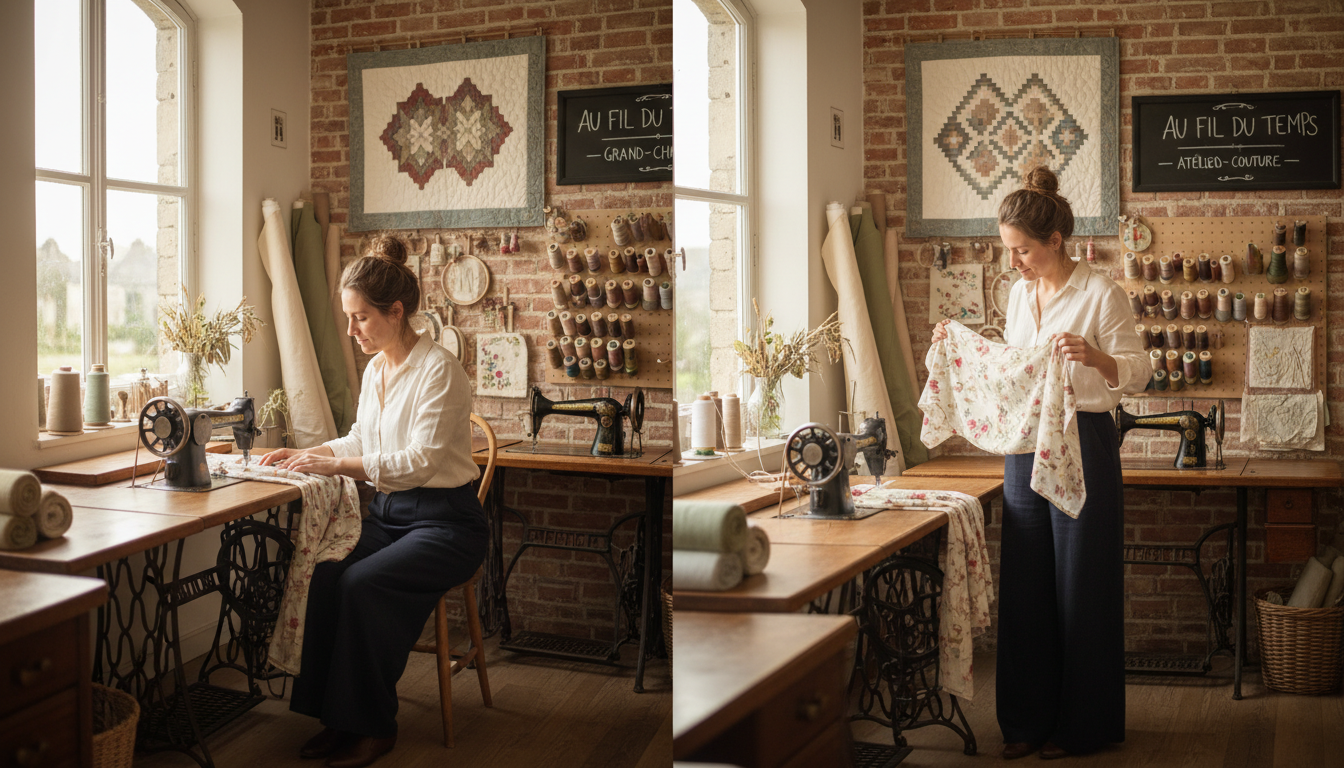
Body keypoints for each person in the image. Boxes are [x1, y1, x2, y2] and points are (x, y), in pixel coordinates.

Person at [931, 167, 1148, 760]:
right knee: (1025, 587)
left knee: (1082, 587)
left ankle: (1081, 727)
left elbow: (1140, 372)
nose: (1015, 262)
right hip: (1026, 447)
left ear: (1055, 241)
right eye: (1009, 251)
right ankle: (1025, 723)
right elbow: (1015, 368)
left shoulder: (1102, 294)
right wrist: (966, 347)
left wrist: (1097, 357)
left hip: (1085, 444)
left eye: (1022, 250)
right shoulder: (1017, 296)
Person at [259, 235, 487, 768]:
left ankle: (373, 727)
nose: (351, 330)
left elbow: (422, 462)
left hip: (447, 525)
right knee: (326, 572)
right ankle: (335, 720)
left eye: (360, 318)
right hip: (388, 516)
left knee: (364, 585)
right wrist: (311, 451)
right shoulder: (377, 369)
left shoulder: (440, 371)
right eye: (348, 318)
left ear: (396, 311)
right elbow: (362, 438)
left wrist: (333, 466)